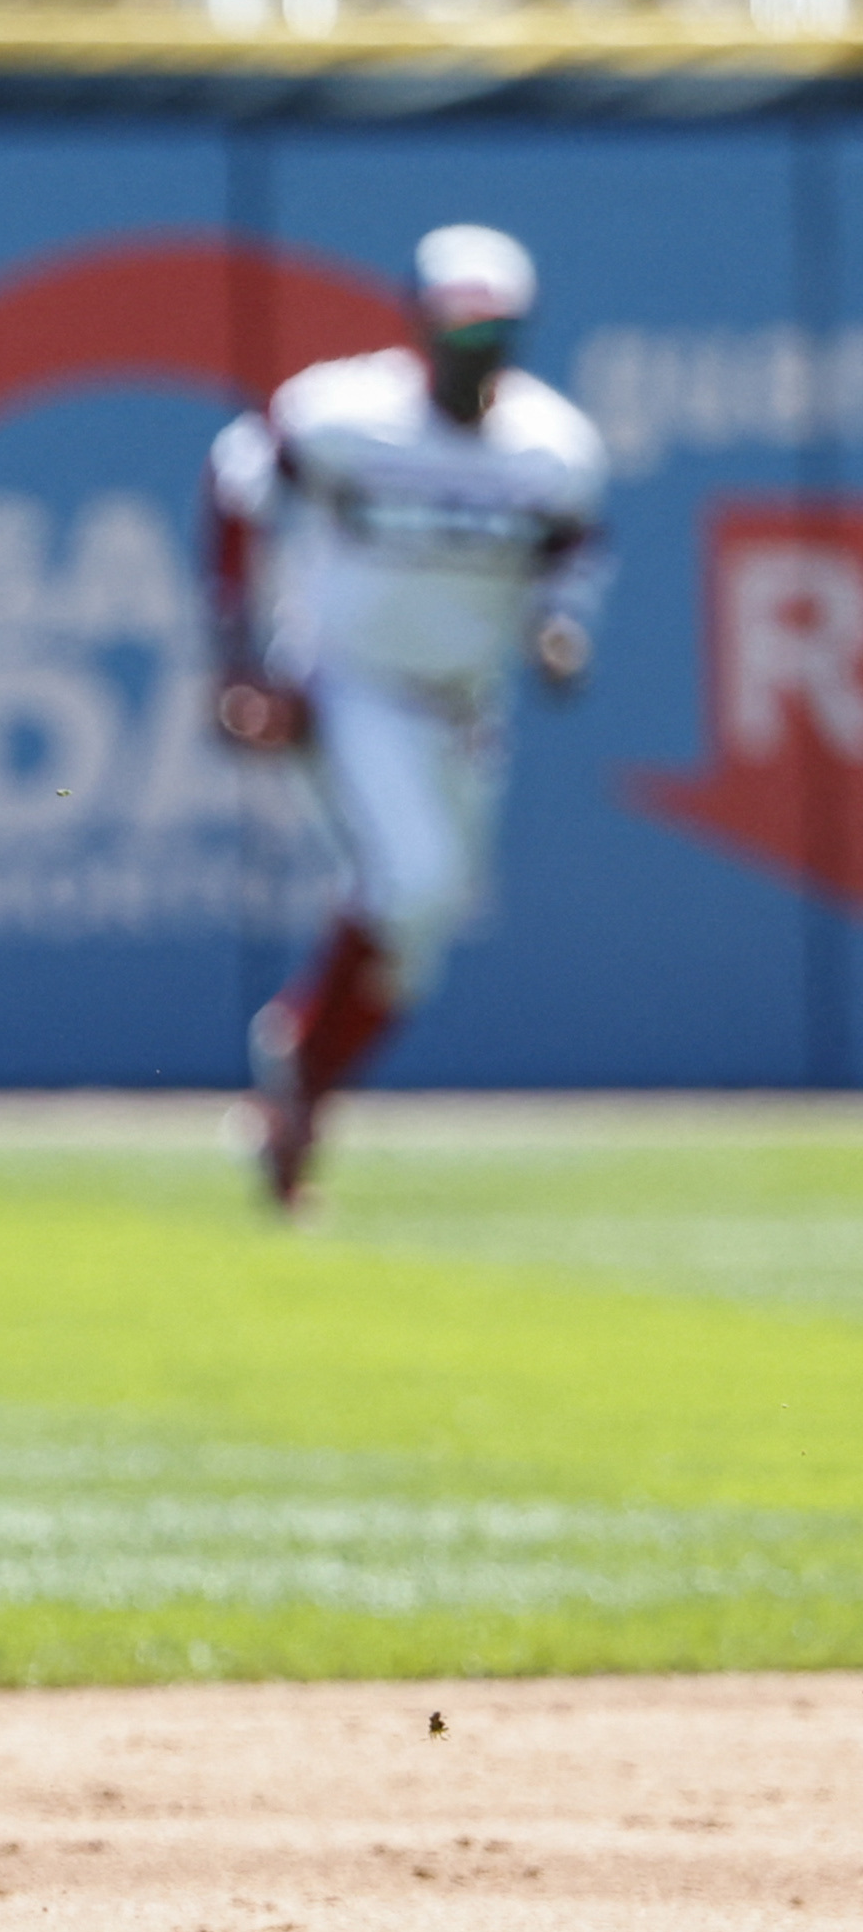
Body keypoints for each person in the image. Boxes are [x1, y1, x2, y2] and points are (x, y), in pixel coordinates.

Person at [210, 224, 607, 1210]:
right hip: (352, 685)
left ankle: (298, 1087)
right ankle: (295, 1069)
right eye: (458, 334)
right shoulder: (345, 413)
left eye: (492, 338)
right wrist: (239, 660)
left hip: (467, 706)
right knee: (412, 884)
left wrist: (559, 630)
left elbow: (574, 562)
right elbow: (234, 486)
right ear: (418, 327)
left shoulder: (553, 445)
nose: (474, 357)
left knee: (417, 944)